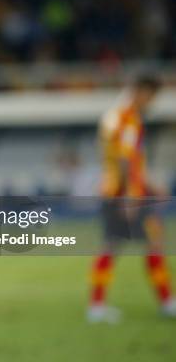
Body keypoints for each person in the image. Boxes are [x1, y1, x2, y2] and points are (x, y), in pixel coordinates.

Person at [88, 75, 176, 322]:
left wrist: (150, 184)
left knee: (115, 245)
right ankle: (167, 301)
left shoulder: (115, 117)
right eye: (150, 96)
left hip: (115, 191)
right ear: (139, 92)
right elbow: (126, 160)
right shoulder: (128, 119)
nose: (151, 102)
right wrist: (130, 195)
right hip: (126, 195)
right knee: (149, 243)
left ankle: (97, 305)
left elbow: (120, 160)